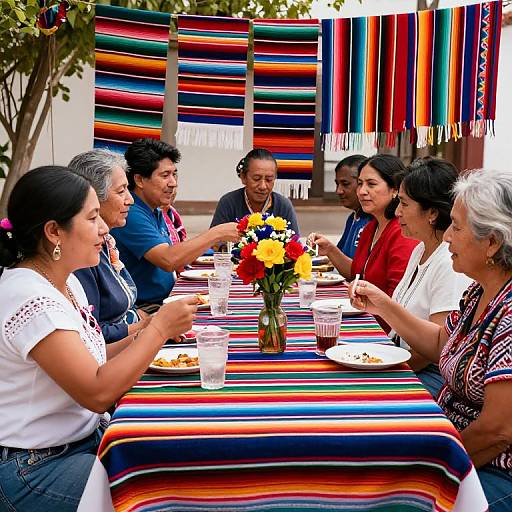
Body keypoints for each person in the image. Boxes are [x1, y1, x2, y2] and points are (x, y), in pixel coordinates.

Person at [0, 166, 196, 511]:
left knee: (178, 452)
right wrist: (157, 329)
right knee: (159, 488)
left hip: (82, 442)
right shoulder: (28, 297)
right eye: (92, 218)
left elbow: (92, 356)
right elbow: (97, 391)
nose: (104, 228)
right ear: (53, 232)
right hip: (35, 466)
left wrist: (146, 340)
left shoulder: (65, 281)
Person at [349, 168, 512, 510]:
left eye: (456, 226)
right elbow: (443, 344)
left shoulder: (508, 314)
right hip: (449, 437)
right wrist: (383, 303)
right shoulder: (478, 292)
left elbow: (498, 431)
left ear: (492, 242)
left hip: (492, 470)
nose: (448, 237)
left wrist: (426, 468)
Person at [111, 138, 240, 308]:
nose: (173, 183)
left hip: (168, 296)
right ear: (140, 180)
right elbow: (169, 259)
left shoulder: (155, 208)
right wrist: (216, 233)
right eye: (165, 176)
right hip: (147, 307)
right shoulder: (131, 213)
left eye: (174, 174)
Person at [310, 154, 419, 332]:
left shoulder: (401, 233)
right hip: (361, 318)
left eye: (371, 184)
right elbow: (356, 274)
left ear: (394, 190)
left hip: (385, 331)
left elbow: (398, 300)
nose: (361, 191)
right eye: (360, 183)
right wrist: (330, 249)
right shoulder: (371, 227)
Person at [391, 157, 472, 392]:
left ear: (432, 213)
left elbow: (434, 349)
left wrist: (387, 370)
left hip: (431, 374)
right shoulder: (421, 248)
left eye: (404, 204)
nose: (397, 212)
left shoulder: (449, 261)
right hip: (405, 360)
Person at [69, 149, 150, 343]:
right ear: (92, 197)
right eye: (121, 191)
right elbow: (92, 334)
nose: (130, 200)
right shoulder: (78, 254)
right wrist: (151, 328)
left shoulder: (106, 242)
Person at [210, 148, 300, 234]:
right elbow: (213, 242)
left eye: (269, 179)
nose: (263, 186)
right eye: (256, 179)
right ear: (243, 177)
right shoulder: (228, 202)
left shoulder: (283, 205)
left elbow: (294, 245)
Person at [334, 154, 372, 258]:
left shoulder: (375, 221)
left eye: (345, 184)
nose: (339, 191)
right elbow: (339, 256)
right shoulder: (353, 218)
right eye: (337, 184)